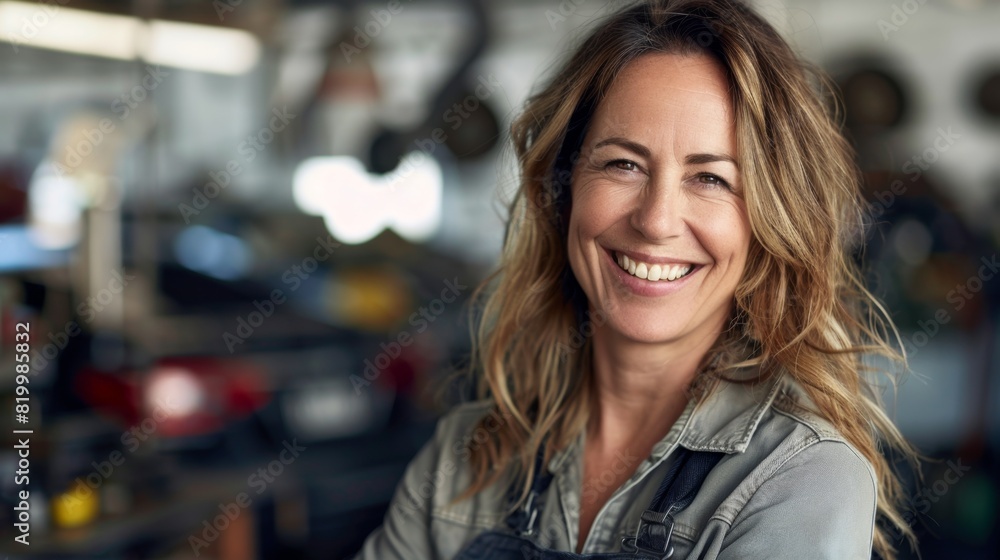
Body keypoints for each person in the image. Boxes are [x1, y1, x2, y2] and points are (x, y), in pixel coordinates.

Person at [354, 0, 919, 558]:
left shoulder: (800, 477)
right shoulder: (468, 452)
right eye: (623, 164)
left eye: (711, 178)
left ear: (769, 222)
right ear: (564, 188)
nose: (655, 221)